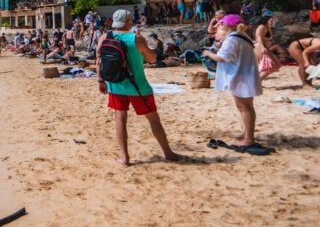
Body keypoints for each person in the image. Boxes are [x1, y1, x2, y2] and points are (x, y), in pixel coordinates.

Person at [97, 9, 183, 165]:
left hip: (115, 84)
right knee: (153, 119)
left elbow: (99, 60)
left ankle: (124, 157)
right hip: (138, 86)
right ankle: (168, 153)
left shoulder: (104, 37)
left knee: (120, 118)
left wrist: (100, 81)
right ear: (129, 21)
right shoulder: (136, 38)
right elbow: (152, 59)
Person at [202, 15, 265, 150]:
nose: (218, 28)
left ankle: (249, 139)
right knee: (247, 107)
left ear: (226, 26)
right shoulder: (241, 36)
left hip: (240, 77)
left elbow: (222, 58)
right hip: (245, 75)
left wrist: (208, 53)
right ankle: (247, 133)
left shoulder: (233, 39)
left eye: (220, 25)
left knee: (244, 107)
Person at [254, 15, 281, 79]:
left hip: (264, 46)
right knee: (270, 65)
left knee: (277, 64)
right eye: (270, 21)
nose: (272, 22)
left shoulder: (267, 28)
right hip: (259, 46)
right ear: (266, 21)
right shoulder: (262, 26)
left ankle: (257, 79)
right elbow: (258, 37)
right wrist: (262, 47)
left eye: (272, 21)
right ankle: (257, 80)